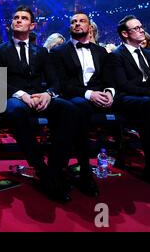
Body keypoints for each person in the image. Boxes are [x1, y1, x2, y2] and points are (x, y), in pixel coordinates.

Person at [0, 5, 77, 202]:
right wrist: (21, 94)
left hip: (40, 97)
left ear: (32, 25)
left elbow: (55, 82)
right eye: (15, 17)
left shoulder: (42, 52)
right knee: (19, 110)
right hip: (12, 98)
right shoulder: (0, 51)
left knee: (69, 109)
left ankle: (55, 168)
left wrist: (48, 94)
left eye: (23, 18)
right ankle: (40, 167)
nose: (18, 20)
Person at [106, 15, 150, 190]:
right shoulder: (117, 55)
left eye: (141, 27)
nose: (141, 31)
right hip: (128, 98)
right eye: (136, 28)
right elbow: (124, 85)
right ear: (125, 33)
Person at [50, 12, 115, 197]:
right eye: (73, 22)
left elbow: (109, 79)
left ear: (89, 26)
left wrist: (109, 93)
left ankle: (60, 170)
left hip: (100, 98)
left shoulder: (101, 52)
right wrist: (89, 94)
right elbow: (62, 84)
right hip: (75, 97)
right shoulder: (59, 52)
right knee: (79, 108)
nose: (77, 24)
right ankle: (85, 171)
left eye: (81, 21)